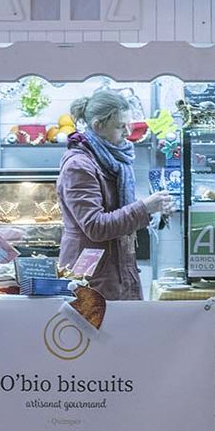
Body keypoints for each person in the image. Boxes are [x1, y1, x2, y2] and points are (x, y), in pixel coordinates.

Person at [57, 90, 172, 300]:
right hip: (90, 280)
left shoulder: (114, 161)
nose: (128, 132)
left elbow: (117, 212)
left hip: (118, 272)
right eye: (120, 126)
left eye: (129, 124)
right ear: (98, 126)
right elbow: (95, 226)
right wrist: (144, 207)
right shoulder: (79, 166)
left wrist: (154, 211)